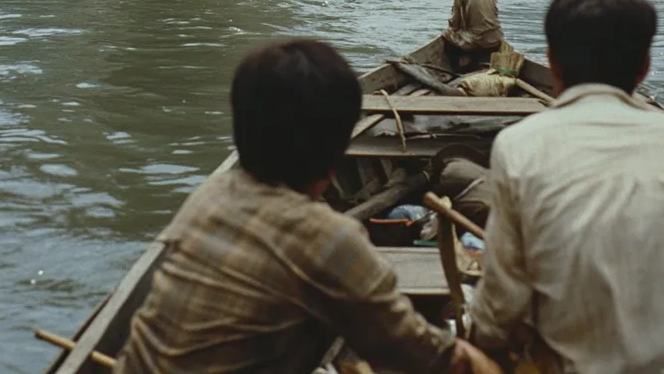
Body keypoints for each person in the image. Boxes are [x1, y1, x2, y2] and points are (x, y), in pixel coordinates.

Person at [115, 39, 499, 374]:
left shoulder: (212, 194)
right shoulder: (327, 238)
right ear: (334, 155)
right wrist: (472, 358)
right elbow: (418, 354)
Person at [470, 0, 664, 373]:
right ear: (644, 67)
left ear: (552, 62)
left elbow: (501, 307)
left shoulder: (519, 145)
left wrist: (478, 341)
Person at [442, 0, 503, 70]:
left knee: (446, 35)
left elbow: (455, 23)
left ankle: (458, 69)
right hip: (496, 38)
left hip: (477, 41)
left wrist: (452, 31)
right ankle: (474, 59)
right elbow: (494, 13)